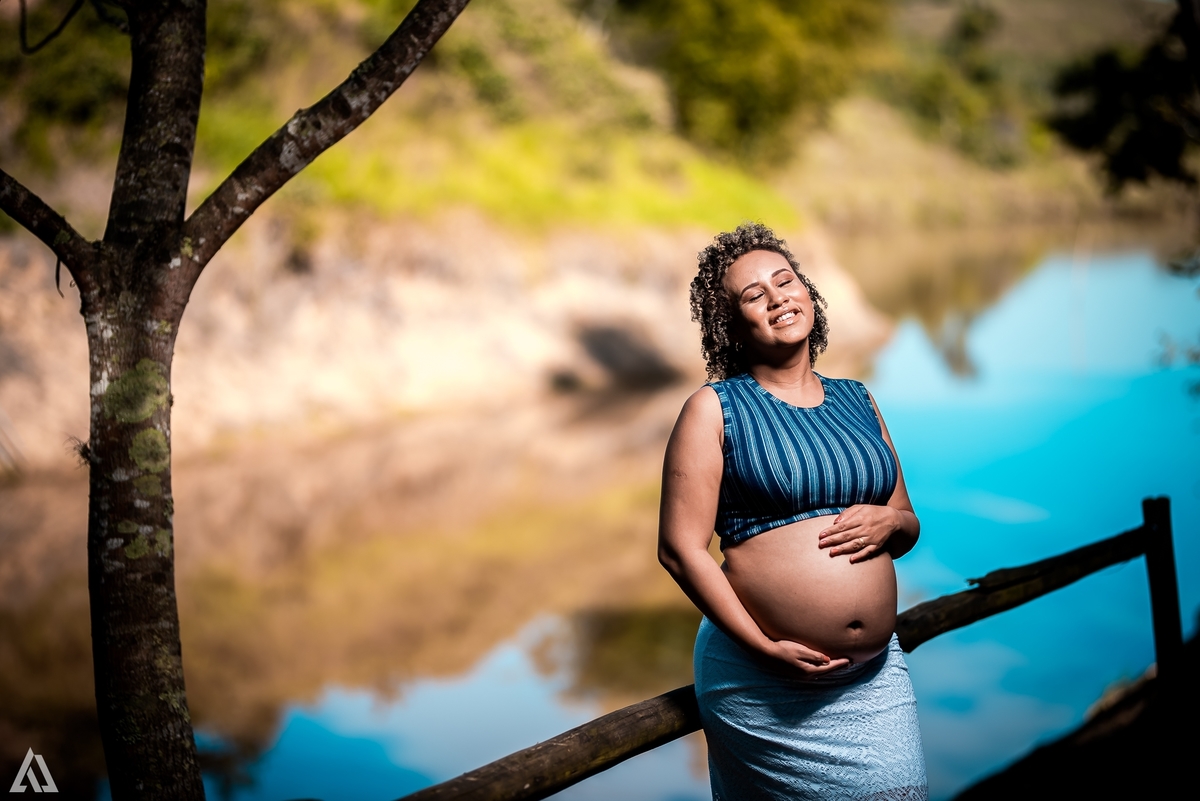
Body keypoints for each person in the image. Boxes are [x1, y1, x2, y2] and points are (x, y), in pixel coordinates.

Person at [658, 223, 927, 800]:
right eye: (754, 295)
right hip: (765, 676)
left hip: (874, 675)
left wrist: (889, 522)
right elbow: (680, 550)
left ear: (809, 293)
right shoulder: (714, 409)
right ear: (731, 326)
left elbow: (906, 522)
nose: (778, 296)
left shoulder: (859, 399)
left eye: (785, 281)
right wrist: (764, 646)